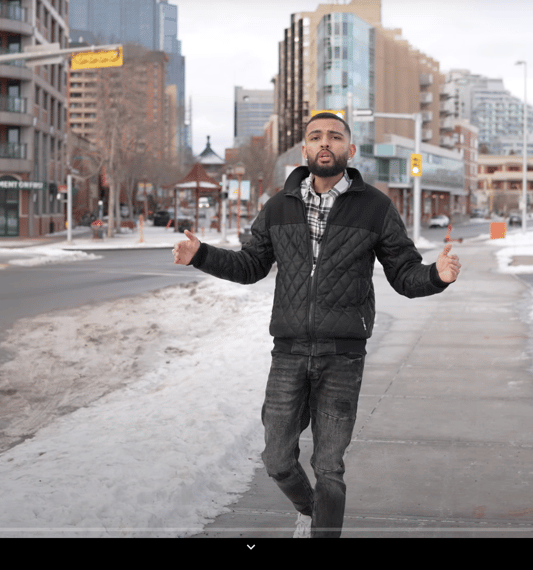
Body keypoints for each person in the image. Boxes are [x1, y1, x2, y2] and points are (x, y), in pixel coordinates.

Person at [172, 112, 461, 538]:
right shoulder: (278, 206)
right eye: (315, 137)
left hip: (343, 356)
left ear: (350, 149)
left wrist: (436, 275)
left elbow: (404, 274)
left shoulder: (376, 207)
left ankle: (325, 527)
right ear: (304, 150)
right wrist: (202, 254)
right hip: (288, 352)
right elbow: (251, 265)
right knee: (277, 460)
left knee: (329, 466)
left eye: (335, 137)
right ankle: (312, 511)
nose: (325, 143)